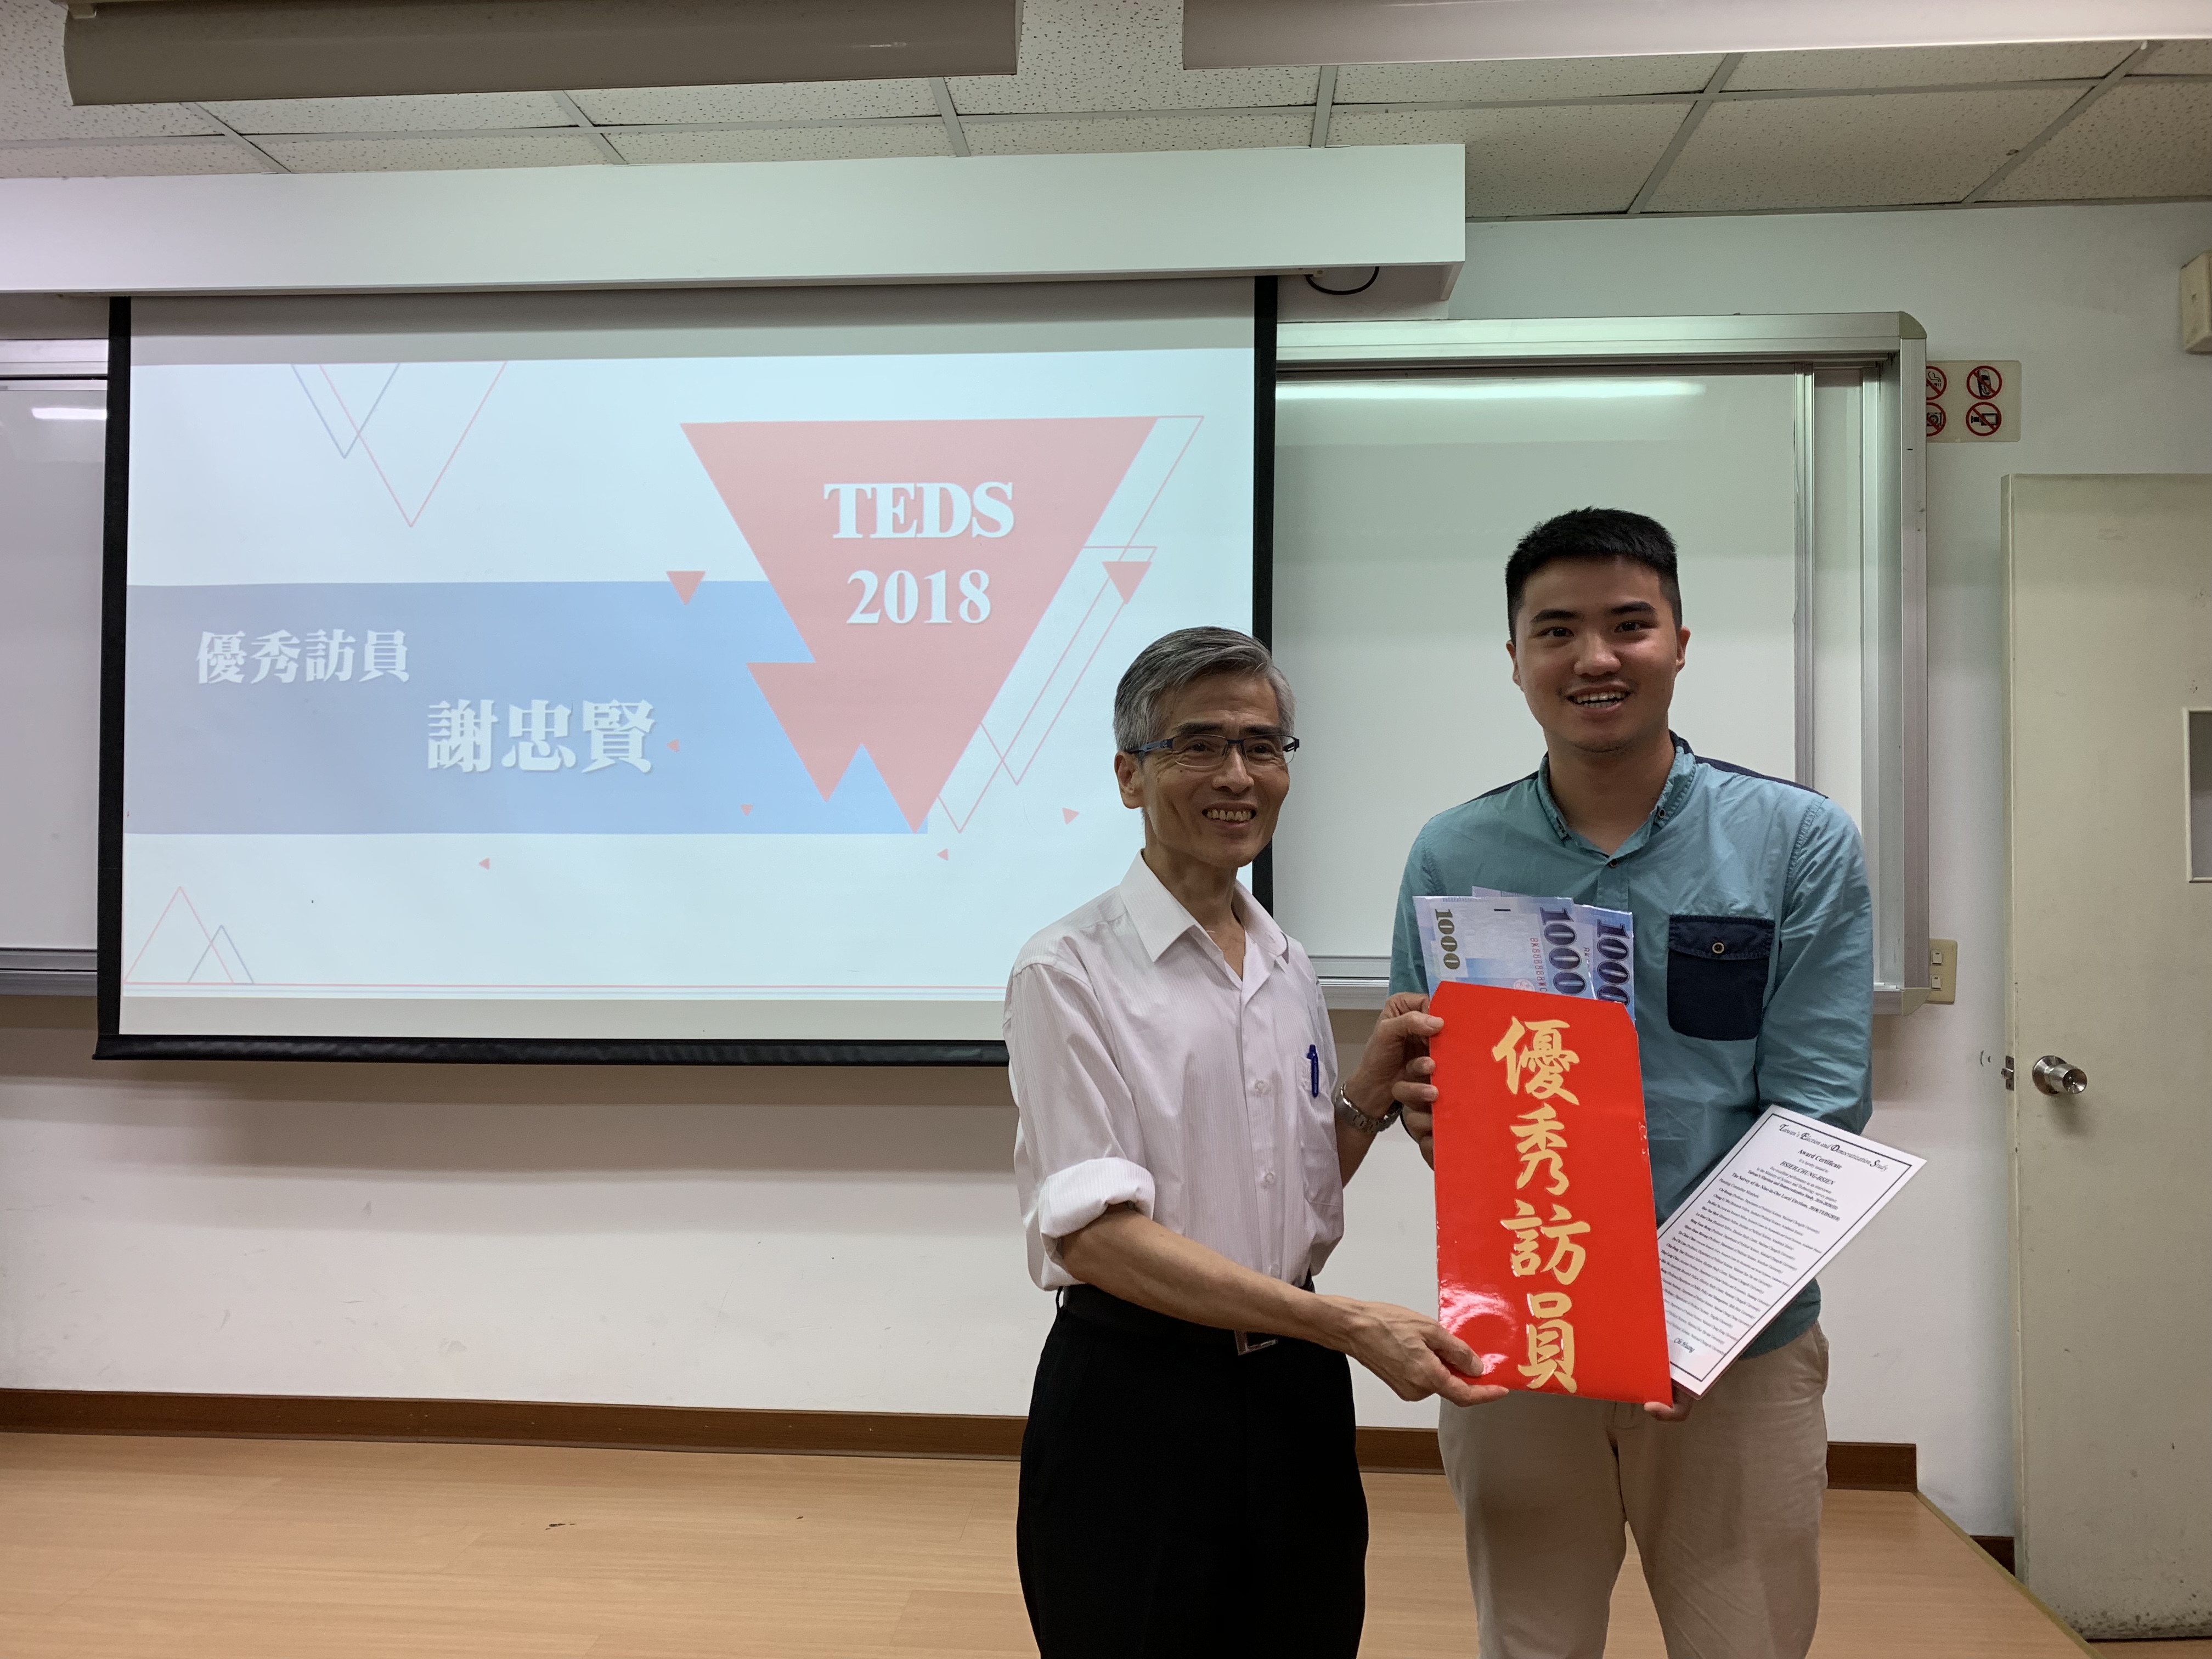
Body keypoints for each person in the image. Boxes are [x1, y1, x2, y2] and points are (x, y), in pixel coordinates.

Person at [1387, 508, 1873, 1659]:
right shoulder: (1453, 852)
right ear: (1516, 658)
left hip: (1736, 1347)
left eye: (1629, 625)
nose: (1594, 658)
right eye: (1556, 631)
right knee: (1531, 1639)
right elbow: (1440, 1093)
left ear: (1680, 643)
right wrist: (1430, 1112)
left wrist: (1692, 1323)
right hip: (1525, 1331)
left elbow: (1819, 1111)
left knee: (1743, 1640)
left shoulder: (1797, 840)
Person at [1007, 625, 1504, 1659]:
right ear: (1130, 775)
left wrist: (1365, 1095)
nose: (1237, 775)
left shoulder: (1287, 963)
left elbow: (1294, 1188)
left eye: (1262, 746)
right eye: (1199, 745)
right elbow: (1097, 1238)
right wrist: (1346, 1324)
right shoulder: (1067, 971)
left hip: (1295, 1397)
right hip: (1138, 1394)